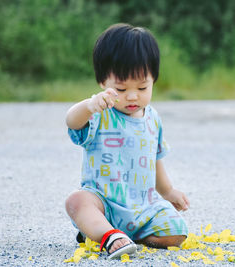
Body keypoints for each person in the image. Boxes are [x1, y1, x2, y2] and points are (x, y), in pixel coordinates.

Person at [65, 23, 190, 259]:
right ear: (103, 82)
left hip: (143, 206)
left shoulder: (153, 118)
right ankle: (106, 232)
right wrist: (89, 105)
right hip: (104, 202)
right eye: (121, 89)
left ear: (154, 79)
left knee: (177, 233)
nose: (132, 96)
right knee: (77, 201)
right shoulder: (99, 114)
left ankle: (122, 235)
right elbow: (71, 121)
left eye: (142, 87)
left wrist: (169, 191)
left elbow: (155, 159)